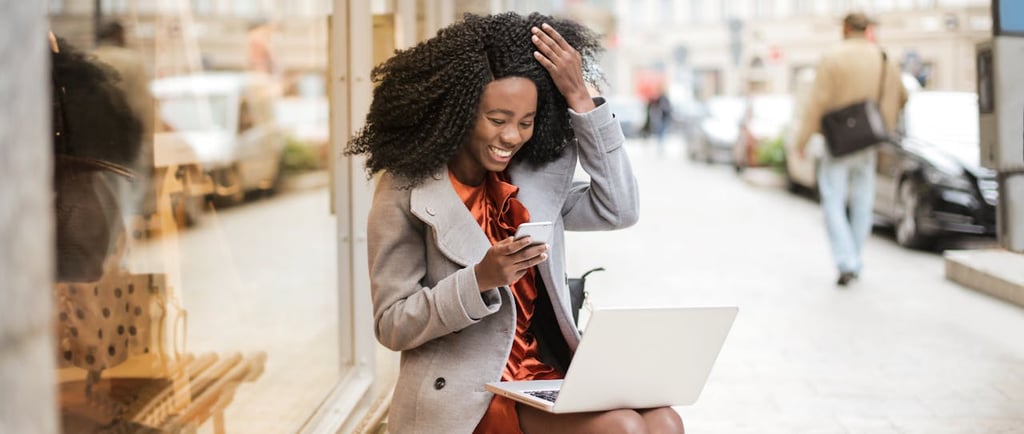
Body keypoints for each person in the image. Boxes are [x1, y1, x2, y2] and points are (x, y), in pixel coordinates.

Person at [346, 12, 684, 434]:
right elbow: (392, 324)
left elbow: (619, 208)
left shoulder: (529, 180)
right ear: (459, 111)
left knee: (665, 420)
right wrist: (480, 279)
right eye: (497, 119)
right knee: (622, 428)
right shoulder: (406, 190)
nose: (512, 137)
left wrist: (581, 98)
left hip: (542, 374)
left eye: (526, 122)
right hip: (470, 392)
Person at [793, 12, 908, 286]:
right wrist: (884, 118)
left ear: (845, 28)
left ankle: (845, 261)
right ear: (866, 29)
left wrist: (802, 141)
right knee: (863, 201)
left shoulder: (832, 57)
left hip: (839, 142)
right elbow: (903, 96)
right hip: (868, 141)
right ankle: (855, 258)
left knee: (833, 198)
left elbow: (817, 103)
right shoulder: (883, 57)